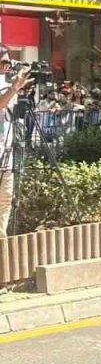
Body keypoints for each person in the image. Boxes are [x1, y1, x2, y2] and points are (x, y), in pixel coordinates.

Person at [0, 50, 32, 238]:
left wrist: (17, 88)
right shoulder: (8, 87)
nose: (6, 66)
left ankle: (1, 241)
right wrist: (13, 89)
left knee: (5, 200)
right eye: (2, 62)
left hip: (6, 154)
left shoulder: (8, 84)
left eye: (8, 62)